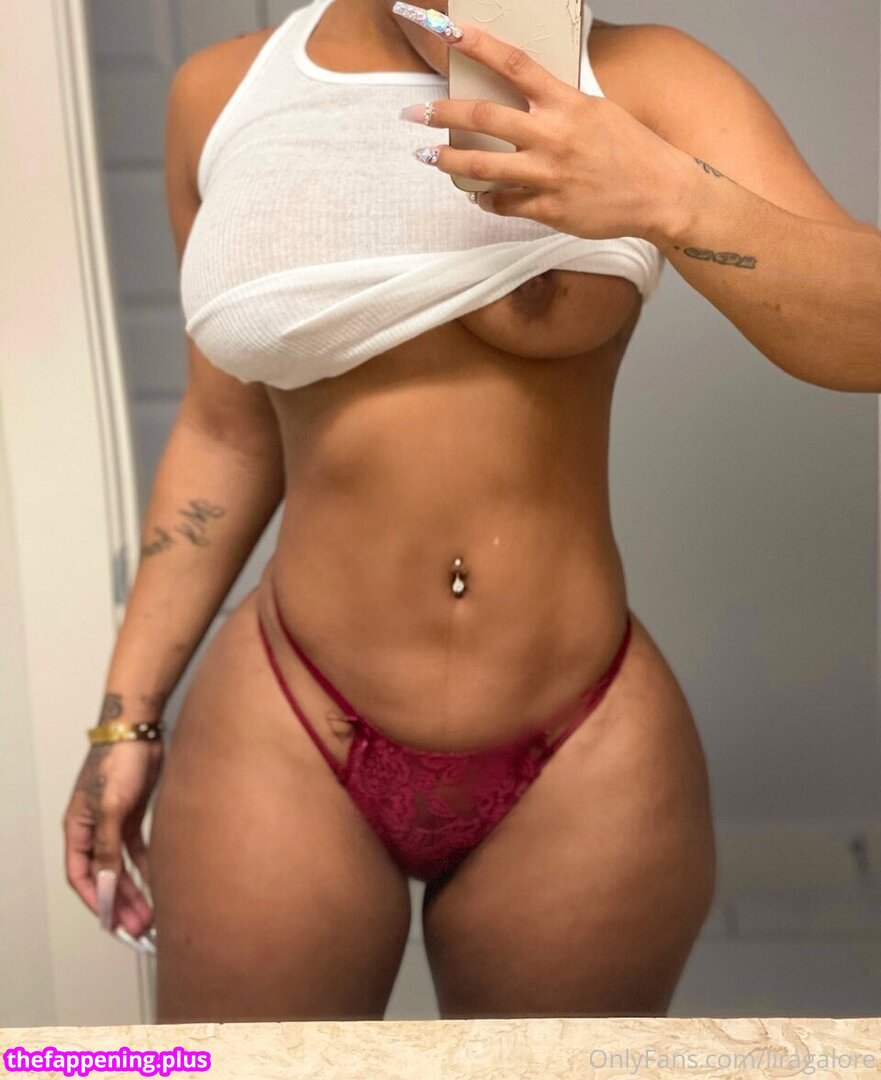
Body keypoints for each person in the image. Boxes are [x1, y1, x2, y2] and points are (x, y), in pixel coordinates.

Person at [63, 0, 880, 1024]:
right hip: (288, 721)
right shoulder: (225, 95)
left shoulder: (644, 81)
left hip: (582, 745)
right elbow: (224, 431)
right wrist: (125, 719)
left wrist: (673, 200)